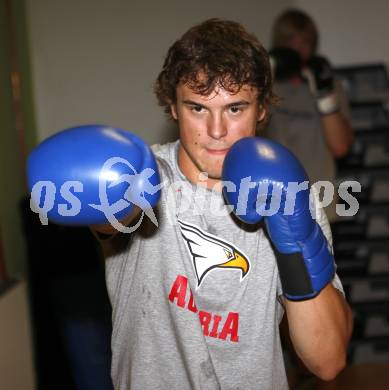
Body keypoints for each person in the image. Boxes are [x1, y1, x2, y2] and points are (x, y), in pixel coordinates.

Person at [27, 18, 353, 389]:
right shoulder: (141, 177)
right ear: (173, 107)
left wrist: (296, 236)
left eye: (235, 108)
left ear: (262, 109)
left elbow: (327, 361)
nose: (216, 131)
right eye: (198, 108)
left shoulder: (289, 192)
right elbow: (111, 224)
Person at [265, 9, 353, 222]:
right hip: (273, 200)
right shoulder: (265, 86)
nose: (298, 49)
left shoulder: (330, 87)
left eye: (304, 42)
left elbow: (341, 147)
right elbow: (244, 137)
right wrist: (264, 79)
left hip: (319, 200)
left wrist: (324, 95)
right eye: (291, 41)